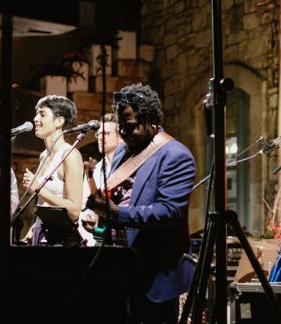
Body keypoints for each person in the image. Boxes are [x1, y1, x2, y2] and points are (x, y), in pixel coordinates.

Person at [83, 83, 196, 324]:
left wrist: (116, 214)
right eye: (121, 126)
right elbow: (116, 199)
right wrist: (99, 217)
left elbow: (170, 212)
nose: (123, 133)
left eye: (130, 126)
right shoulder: (124, 152)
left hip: (155, 274)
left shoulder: (175, 155)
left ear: (152, 122)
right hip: (121, 269)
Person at [22, 95, 86, 244]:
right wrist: (34, 228)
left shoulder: (70, 155)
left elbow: (74, 210)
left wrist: (38, 188)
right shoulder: (43, 155)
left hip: (61, 241)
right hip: (42, 234)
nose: (35, 119)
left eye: (42, 114)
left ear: (59, 121)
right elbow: (45, 205)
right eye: (37, 113)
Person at [91, 113, 124, 190]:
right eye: (98, 134)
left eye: (105, 133)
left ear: (121, 137)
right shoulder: (96, 169)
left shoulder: (130, 165)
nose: (100, 137)